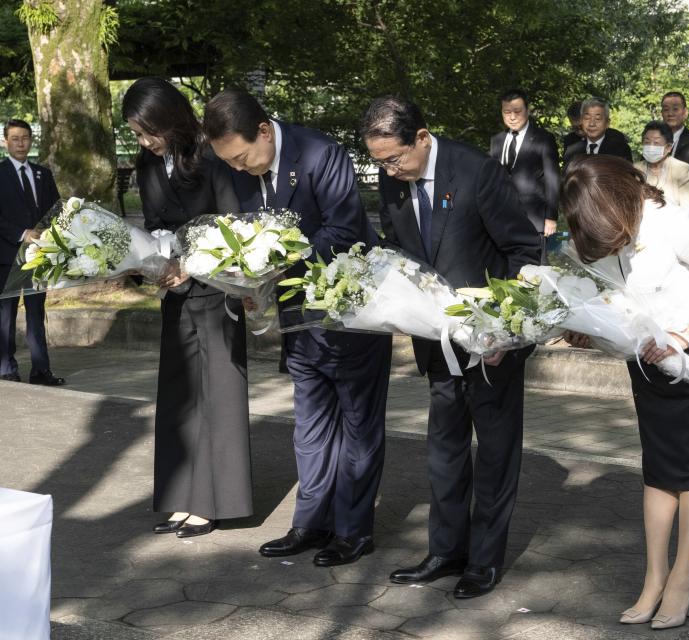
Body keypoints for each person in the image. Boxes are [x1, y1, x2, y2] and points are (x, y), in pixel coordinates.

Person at [203, 88, 395, 564]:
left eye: (243, 156)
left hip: (350, 309)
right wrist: (244, 279)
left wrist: (272, 262)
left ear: (264, 131)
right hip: (297, 318)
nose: (239, 169)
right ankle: (310, 523)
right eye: (229, 161)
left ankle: (353, 531)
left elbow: (343, 231)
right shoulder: (241, 168)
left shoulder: (320, 154)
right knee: (309, 425)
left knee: (357, 425)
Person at [360, 96, 540, 598]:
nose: (389, 171)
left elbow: (523, 250)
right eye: (379, 163)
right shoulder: (392, 182)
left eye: (395, 159)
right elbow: (400, 258)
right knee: (443, 451)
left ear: (421, 137)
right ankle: (445, 551)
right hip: (435, 344)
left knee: (496, 453)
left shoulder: (477, 171)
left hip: (491, 344)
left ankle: (483, 561)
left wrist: (503, 328)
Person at [561, 155, 689, 630]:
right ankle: (654, 577)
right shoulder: (602, 227)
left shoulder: (671, 225)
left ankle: (683, 578)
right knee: (659, 466)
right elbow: (606, 295)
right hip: (646, 358)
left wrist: (685, 333)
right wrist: (585, 327)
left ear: (621, 202)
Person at [122, 77, 249, 538]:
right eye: (136, 134)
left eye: (145, 132)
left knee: (217, 395)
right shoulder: (148, 164)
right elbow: (154, 224)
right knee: (178, 398)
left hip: (216, 289)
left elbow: (231, 225)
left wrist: (190, 267)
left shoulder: (214, 156)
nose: (142, 142)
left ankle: (212, 502)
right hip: (174, 293)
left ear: (167, 119)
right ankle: (181, 497)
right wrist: (148, 263)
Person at [0, 119, 64, 386]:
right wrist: (22, 233)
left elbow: (57, 209)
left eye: (25, 137)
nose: (20, 143)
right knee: (6, 316)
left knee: (37, 314)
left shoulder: (43, 174)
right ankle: (6, 368)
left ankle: (41, 370)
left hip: (39, 256)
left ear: (31, 140)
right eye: (15, 138)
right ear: (5, 141)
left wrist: (49, 235)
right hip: (7, 256)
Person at [489, 89, 561, 260]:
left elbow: (553, 179)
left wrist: (551, 216)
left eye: (517, 111)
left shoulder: (544, 139)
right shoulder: (497, 140)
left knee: (536, 273)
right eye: (507, 112)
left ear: (527, 111)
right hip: (503, 218)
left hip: (534, 219)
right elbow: (491, 178)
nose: (512, 117)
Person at [634, 121, 689, 219]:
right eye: (647, 142)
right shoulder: (635, 170)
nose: (651, 147)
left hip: (673, 226)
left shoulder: (682, 170)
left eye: (656, 143)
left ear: (668, 147)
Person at [563, 98, 633, 165]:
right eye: (575, 128)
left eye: (581, 127)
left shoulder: (616, 139)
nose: (580, 132)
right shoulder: (570, 142)